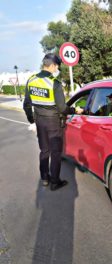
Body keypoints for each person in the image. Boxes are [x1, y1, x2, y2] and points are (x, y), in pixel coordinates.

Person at [23, 53, 80, 191]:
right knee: (55, 152)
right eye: (57, 67)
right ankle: (55, 181)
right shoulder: (54, 83)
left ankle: (44, 178)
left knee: (44, 151)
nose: (57, 70)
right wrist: (74, 110)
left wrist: (32, 120)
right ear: (53, 65)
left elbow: (26, 105)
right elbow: (62, 108)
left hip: (39, 121)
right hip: (53, 122)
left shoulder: (31, 80)